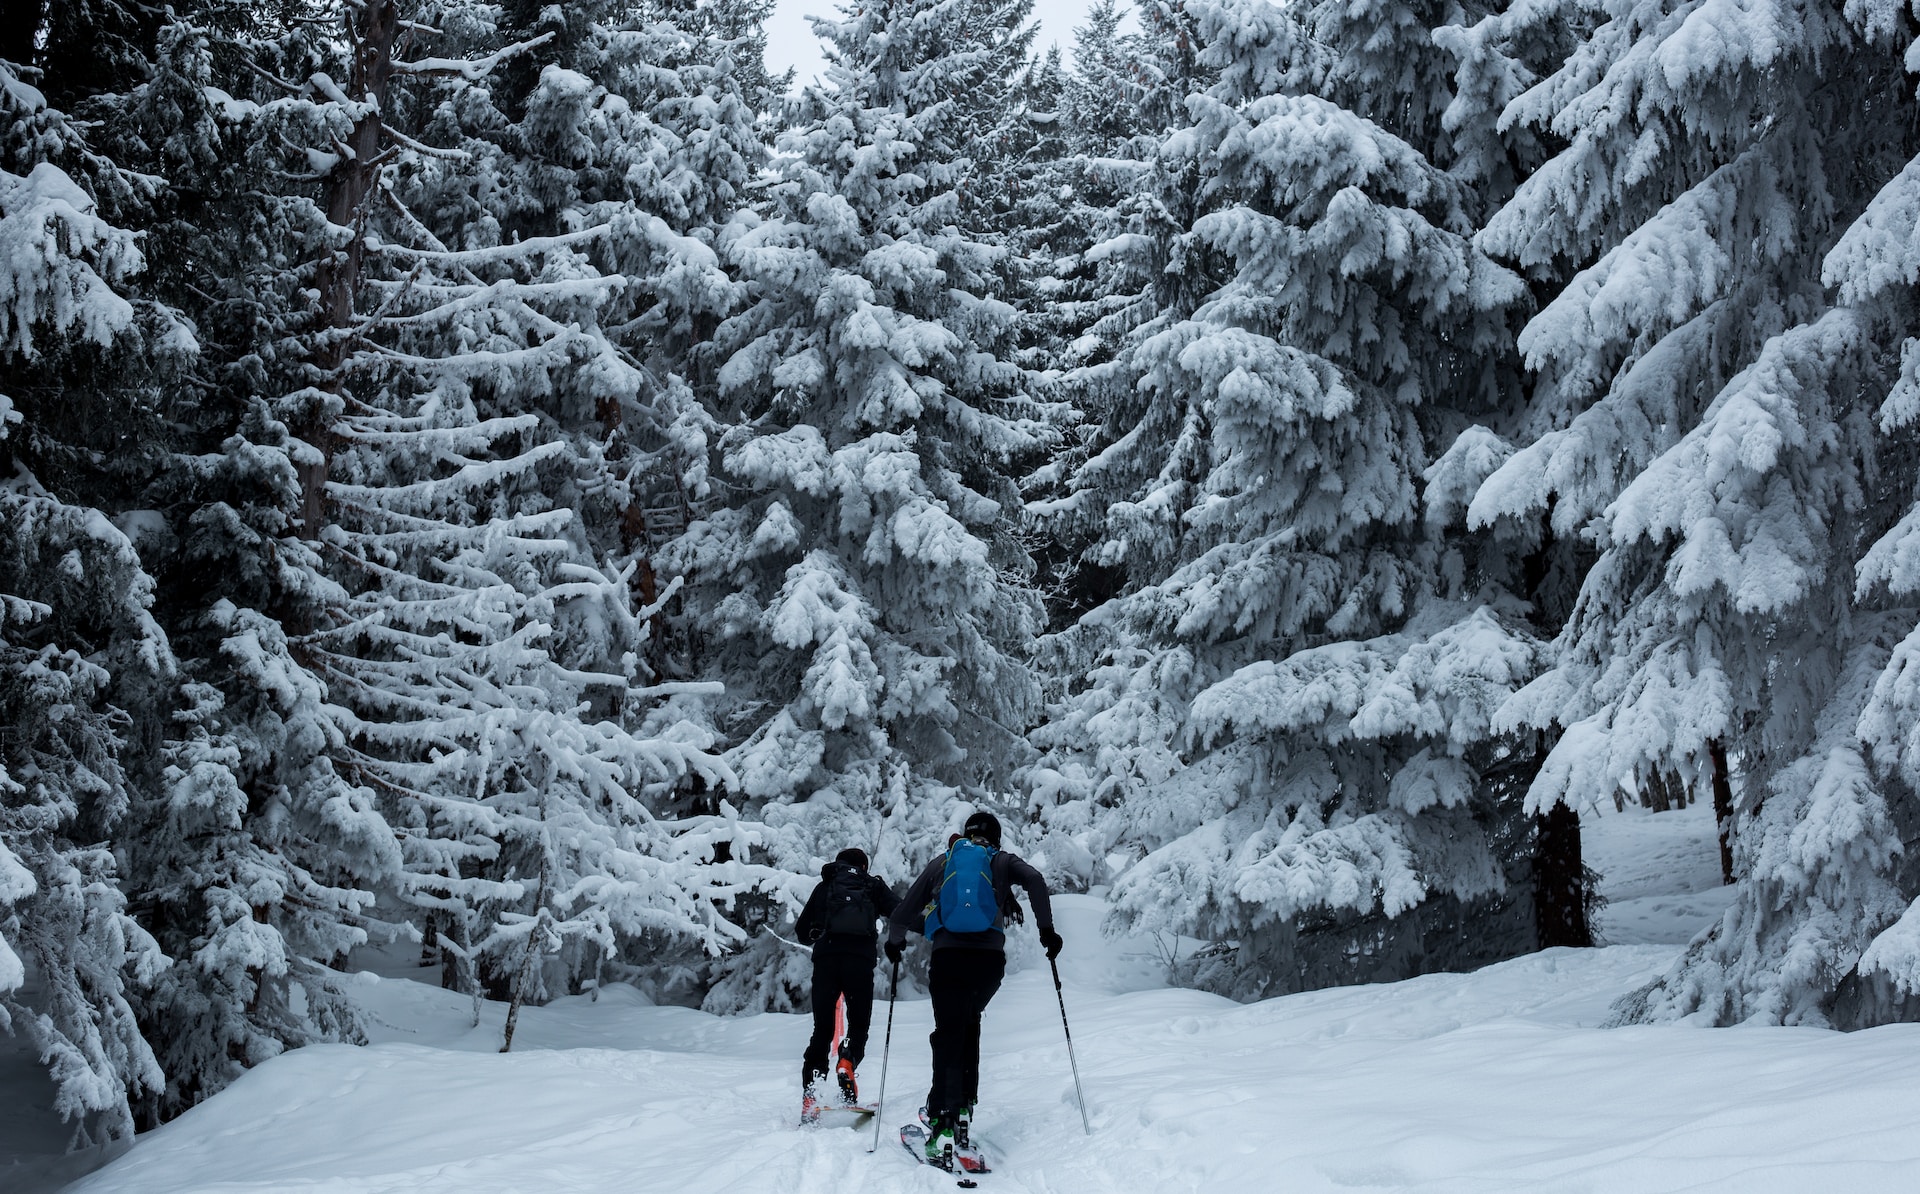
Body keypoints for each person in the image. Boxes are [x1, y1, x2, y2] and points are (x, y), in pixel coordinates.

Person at [885, 811, 1062, 1164]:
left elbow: (905, 908)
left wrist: (894, 941)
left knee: (948, 1034)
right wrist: (1047, 931)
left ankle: (943, 1124)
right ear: (996, 838)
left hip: (949, 958)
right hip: (988, 964)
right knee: (969, 1025)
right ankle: (964, 1110)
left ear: (966, 835)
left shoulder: (945, 861)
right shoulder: (1000, 861)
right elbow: (1037, 881)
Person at [794, 846, 899, 1120]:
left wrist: (817, 931)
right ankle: (847, 1060)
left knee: (823, 1029)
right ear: (864, 866)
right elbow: (901, 912)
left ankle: (812, 1093)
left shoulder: (826, 885)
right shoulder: (871, 886)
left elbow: (802, 931)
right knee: (859, 1024)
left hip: (827, 961)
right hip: (860, 962)